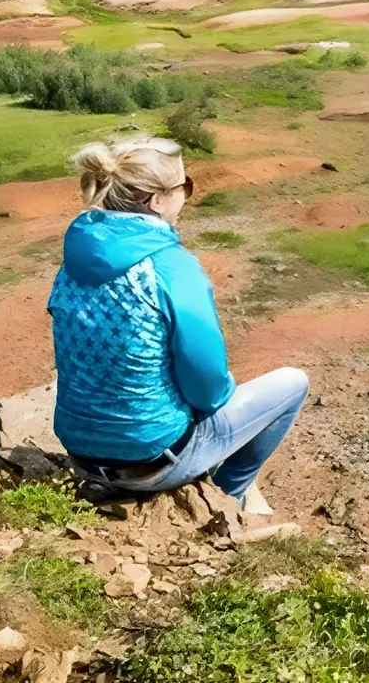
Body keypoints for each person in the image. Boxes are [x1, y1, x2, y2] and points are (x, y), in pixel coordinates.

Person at [48, 135, 309, 503]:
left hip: (82, 454)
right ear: (156, 200)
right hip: (152, 462)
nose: (187, 195)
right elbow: (209, 389)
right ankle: (229, 498)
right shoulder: (170, 267)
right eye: (184, 186)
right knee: (292, 383)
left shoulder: (75, 257)